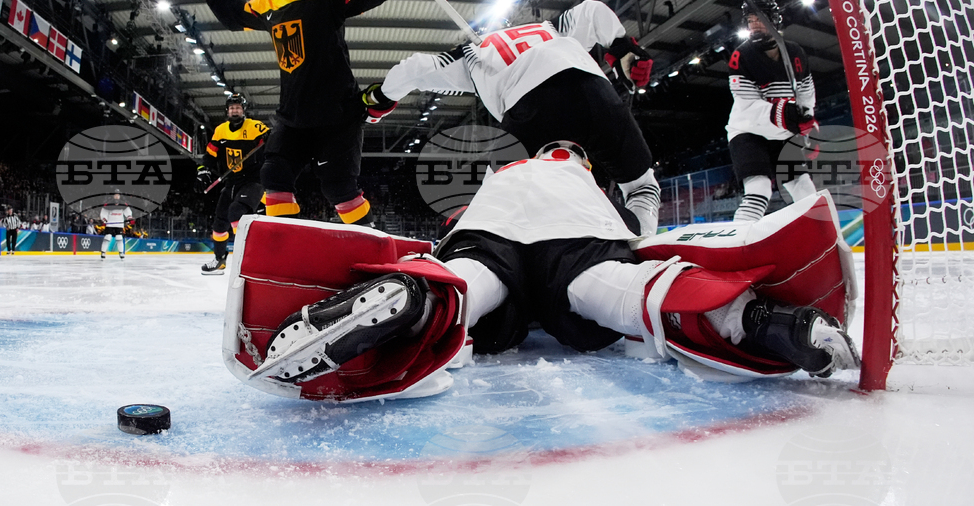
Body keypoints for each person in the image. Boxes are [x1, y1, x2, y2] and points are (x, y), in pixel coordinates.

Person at [223, 141, 859, 402]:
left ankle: (414, 297)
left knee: (474, 280)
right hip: (577, 234)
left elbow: (463, 226)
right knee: (611, 290)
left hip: (490, 227)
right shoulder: (580, 177)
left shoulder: (505, 174)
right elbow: (641, 238)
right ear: (579, 158)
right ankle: (759, 320)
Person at [365, 0, 663, 236]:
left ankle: (470, 255)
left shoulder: (471, 55)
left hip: (530, 111)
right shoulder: (551, 28)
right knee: (641, 185)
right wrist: (624, 47)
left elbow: (414, 69)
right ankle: (645, 242)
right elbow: (593, 11)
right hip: (595, 92)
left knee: (495, 204)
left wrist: (381, 99)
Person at [183, 0, 393, 227]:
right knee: (274, 176)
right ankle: (285, 244)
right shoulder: (269, 2)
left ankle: (371, 239)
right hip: (292, 115)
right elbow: (234, 16)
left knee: (339, 188)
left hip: (337, 113)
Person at [727, 0, 819, 223]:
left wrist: (807, 125)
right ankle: (738, 245)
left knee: (806, 191)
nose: (755, 25)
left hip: (783, 135)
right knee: (759, 190)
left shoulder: (796, 53)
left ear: (774, 19)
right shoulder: (741, 56)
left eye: (760, 18)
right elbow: (748, 107)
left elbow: (806, 95)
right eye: (750, 20)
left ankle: (823, 241)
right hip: (749, 133)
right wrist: (788, 114)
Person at [196, 93, 269, 275]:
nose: (234, 110)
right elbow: (210, 155)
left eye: (238, 107)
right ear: (227, 111)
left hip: (253, 181)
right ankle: (219, 260)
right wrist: (203, 170)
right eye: (232, 108)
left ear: (243, 110)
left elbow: (272, 139)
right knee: (219, 224)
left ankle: (250, 258)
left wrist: (270, 139)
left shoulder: (255, 127)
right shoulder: (221, 130)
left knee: (236, 212)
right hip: (232, 182)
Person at [99, 190, 132, 260]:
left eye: (118, 195)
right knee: (107, 237)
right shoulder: (108, 203)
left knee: (119, 238)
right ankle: (103, 252)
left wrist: (129, 217)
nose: (117, 196)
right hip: (110, 224)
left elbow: (127, 211)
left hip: (119, 224)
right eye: (115, 195)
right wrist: (104, 219)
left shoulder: (123, 204)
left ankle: (121, 252)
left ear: (120, 196)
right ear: (113, 196)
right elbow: (104, 212)